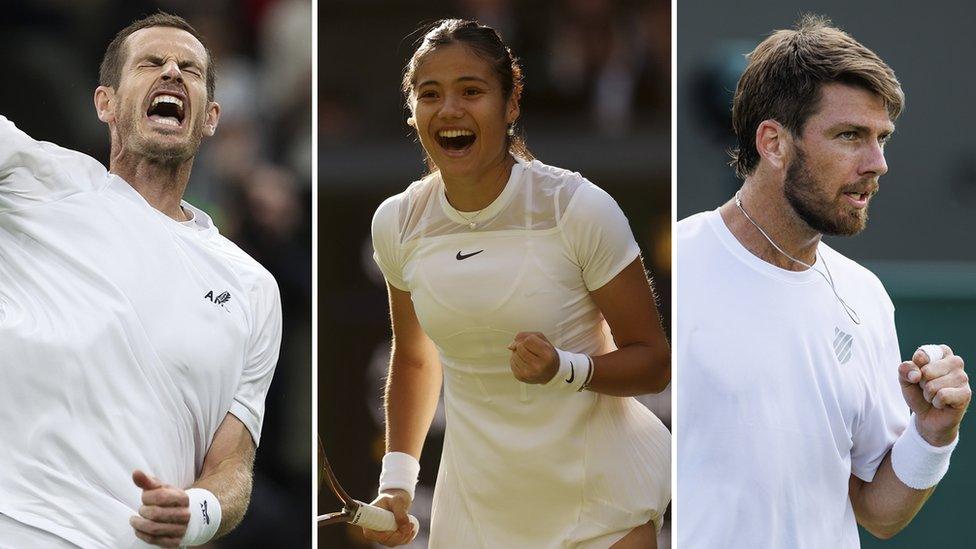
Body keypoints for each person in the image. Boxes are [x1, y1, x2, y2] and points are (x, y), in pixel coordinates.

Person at [365, 18, 671, 549]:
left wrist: (563, 369)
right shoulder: (398, 223)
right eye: (430, 94)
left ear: (510, 104)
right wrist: (395, 485)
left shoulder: (578, 209)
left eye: (471, 91)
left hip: (602, 506)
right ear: (413, 113)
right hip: (478, 515)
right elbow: (415, 357)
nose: (450, 109)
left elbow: (654, 361)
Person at [676, 15, 971, 548]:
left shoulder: (866, 296)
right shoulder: (673, 268)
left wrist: (933, 434)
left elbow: (877, 512)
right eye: (849, 136)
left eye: (881, 139)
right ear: (773, 143)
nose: (877, 163)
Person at [0, 13, 281, 548]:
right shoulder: (32, 178)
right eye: (151, 63)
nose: (172, 70)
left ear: (210, 118)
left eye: (190, 70)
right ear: (104, 103)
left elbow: (232, 466)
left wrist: (198, 511)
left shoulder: (252, 287)